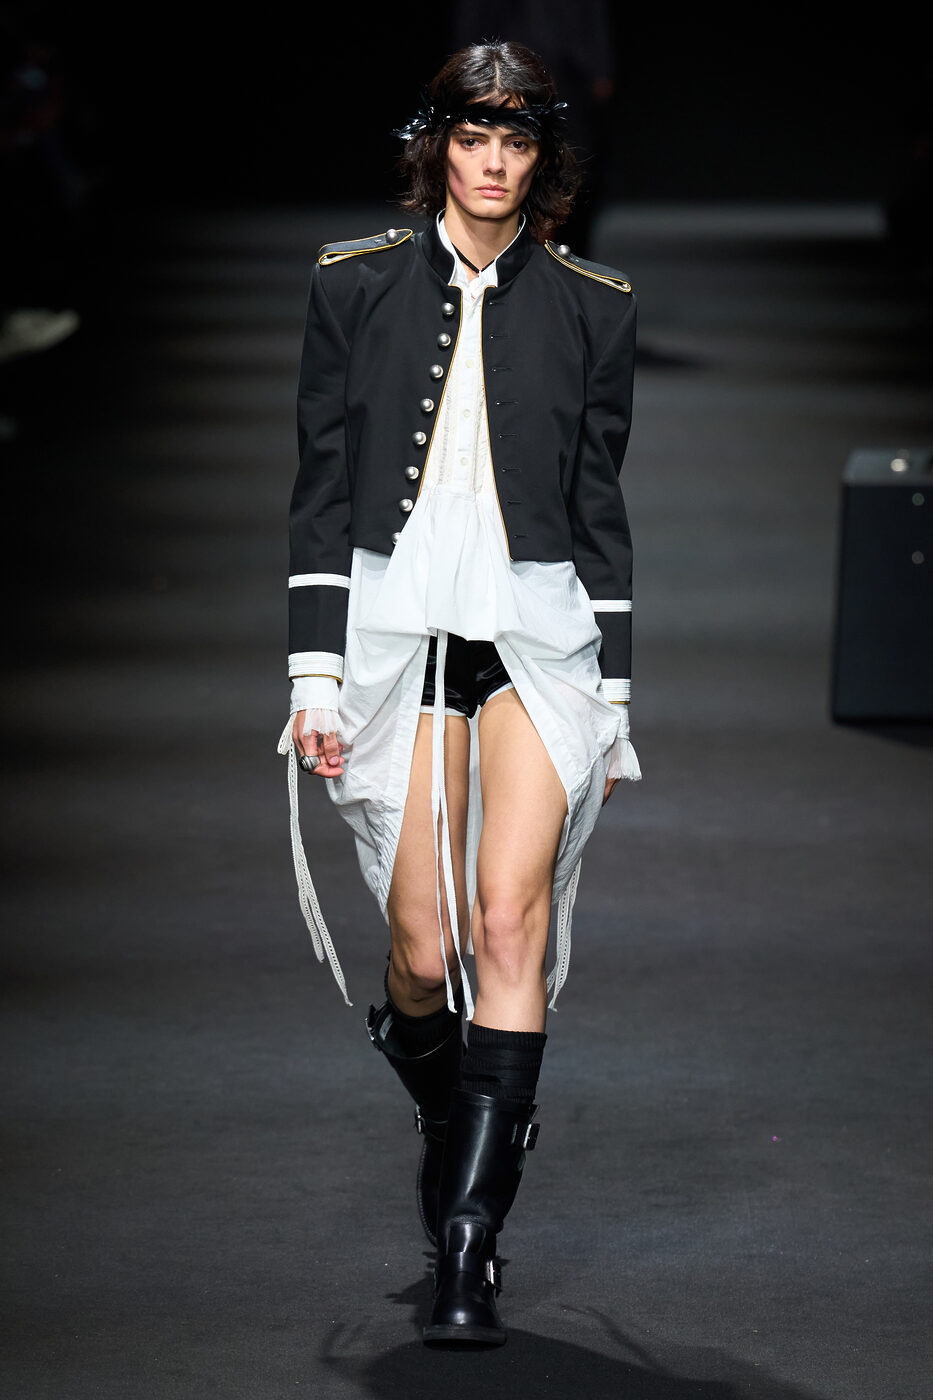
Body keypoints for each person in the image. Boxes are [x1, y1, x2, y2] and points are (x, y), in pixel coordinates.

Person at [277, 40, 640, 1346]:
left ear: (543, 160)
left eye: (516, 142)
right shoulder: (355, 285)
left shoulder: (595, 305)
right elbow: (322, 488)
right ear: (437, 144)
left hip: (535, 645)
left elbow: (598, 506)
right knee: (424, 952)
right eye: (473, 138)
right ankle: (455, 1109)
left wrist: (613, 697)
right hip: (396, 642)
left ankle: (470, 1245)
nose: (492, 163)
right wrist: (313, 672)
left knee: (505, 923)